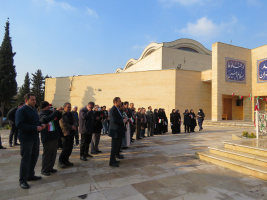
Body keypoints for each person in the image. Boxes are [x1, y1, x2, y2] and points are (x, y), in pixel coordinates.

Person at [15, 93, 46, 189]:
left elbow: (35, 122)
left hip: (35, 137)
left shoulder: (33, 110)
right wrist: (35, 127)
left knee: (34, 157)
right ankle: (22, 180)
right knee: (26, 159)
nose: (34, 101)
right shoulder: (21, 110)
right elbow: (19, 124)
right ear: (26, 100)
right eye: (32, 99)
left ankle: (30, 175)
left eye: (35, 99)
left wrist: (41, 124)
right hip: (26, 139)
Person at [39, 101, 62, 176]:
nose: (50, 107)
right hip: (48, 137)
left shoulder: (50, 112)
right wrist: (55, 112)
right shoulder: (42, 114)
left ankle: (50, 167)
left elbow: (57, 118)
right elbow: (46, 119)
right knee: (47, 154)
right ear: (45, 106)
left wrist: (58, 112)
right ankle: (45, 169)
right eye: (48, 106)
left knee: (53, 153)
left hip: (54, 136)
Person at [108, 97, 127, 167]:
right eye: (119, 101)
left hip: (118, 131)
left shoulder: (117, 109)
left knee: (116, 146)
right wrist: (122, 121)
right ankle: (111, 161)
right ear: (115, 102)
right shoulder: (113, 109)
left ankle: (114, 159)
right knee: (114, 147)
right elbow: (114, 120)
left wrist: (123, 119)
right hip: (115, 131)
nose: (121, 102)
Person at [59, 102, 78, 167]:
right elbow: (62, 123)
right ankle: (61, 161)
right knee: (65, 148)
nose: (69, 108)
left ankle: (66, 161)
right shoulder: (62, 114)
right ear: (64, 107)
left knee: (70, 148)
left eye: (70, 107)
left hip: (72, 133)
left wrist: (75, 125)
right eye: (68, 107)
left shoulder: (71, 114)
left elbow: (75, 121)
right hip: (65, 133)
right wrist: (71, 127)